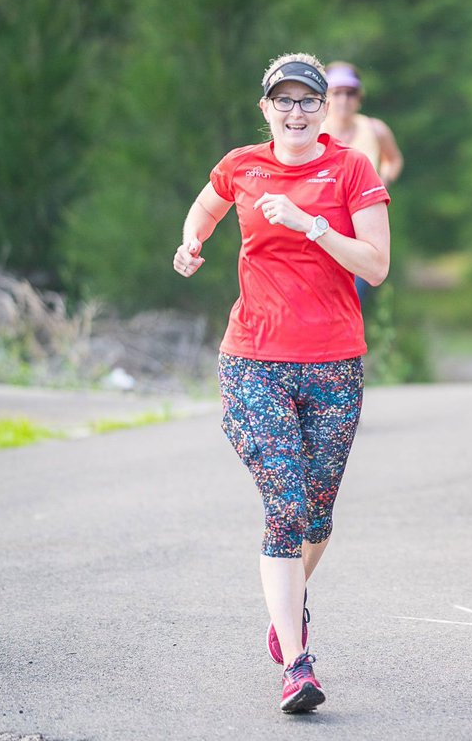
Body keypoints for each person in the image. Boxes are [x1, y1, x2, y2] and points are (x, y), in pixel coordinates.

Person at [172, 52, 391, 712]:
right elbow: (205, 209)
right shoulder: (242, 164)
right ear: (265, 107)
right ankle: (297, 662)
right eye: (283, 100)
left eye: (308, 100)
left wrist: (316, 226)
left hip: (334, 360)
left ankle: (285, 607)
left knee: (316, 515)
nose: (296, 111)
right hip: (254, 358)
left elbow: (376, 266)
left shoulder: (351, 168)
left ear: (325, 110)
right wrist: (191, 243)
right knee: (287, 502)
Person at [320, 61, 403, 302]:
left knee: (352, 293)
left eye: (350, 93)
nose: (344, 99)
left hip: (363, 224)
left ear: (359, 97)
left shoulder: (375, 129)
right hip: (324, 221)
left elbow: (394, 159)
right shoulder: (314, 131)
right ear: (325, 97)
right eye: (337, 92)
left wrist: (383, 179)